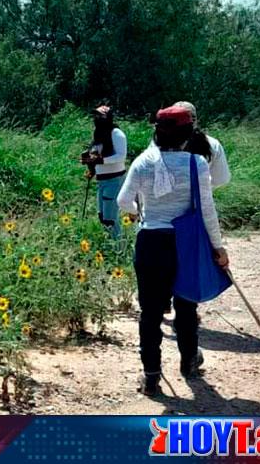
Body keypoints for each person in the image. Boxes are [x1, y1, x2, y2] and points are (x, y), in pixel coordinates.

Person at [117, 105, 230, 397]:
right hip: (185, 243)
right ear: (188, 134)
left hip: (151, 242)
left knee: (151, 312)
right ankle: (189, 362)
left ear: (156, 131)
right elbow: (207, 212)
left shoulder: (144, 162)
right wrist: (218, 248)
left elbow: (123, 201)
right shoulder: (196, 164)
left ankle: (151, 375)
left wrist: (140, 211)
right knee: (186, 305)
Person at [80, 106, 127, 238]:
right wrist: (89, 163)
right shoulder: (98, 133)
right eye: (95, 116)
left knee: (110, 219)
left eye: (100, 116)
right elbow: (96, 155)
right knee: (102, 217)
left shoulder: (116, 133)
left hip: (115, 180)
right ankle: (111, 247)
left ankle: (119, 250)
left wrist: (101, 161)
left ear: (108, 117)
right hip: (101, 181)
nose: (97, 119)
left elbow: (121, 156)